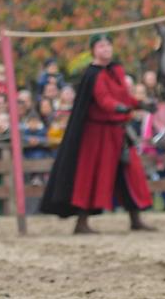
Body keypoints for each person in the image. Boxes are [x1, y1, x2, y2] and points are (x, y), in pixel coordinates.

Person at [38, 35, 155, 233]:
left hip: (118, 132)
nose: (106, 49)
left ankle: (135, 219)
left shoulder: (116, 70)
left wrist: (140, 104)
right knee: (92, 176)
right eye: (101, 46)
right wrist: (120, 108)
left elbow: (124, 97)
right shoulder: (93, 75)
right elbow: (104, 100)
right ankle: (81, 223)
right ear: (94, 50)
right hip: (97, 134)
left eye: (108, 45)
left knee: (131, 173)